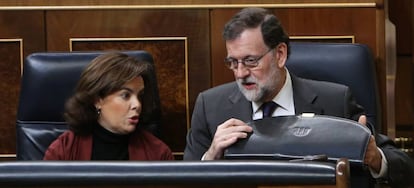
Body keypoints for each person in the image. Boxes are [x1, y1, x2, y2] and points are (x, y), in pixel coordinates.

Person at [183, 7, 414, 187]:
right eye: (233, 62)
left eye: (251, 61)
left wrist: (374, 158)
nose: (241, 73)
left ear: (280, 54)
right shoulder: (211, 107)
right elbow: (182, 180)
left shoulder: (334, 101)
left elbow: (404, 167)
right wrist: (211, 157)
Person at [44, 52, 174, 160]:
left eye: (139, 96)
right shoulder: (64, 150)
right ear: (97, 100)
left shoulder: (158, 154)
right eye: (125, 95)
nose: (137, 105)